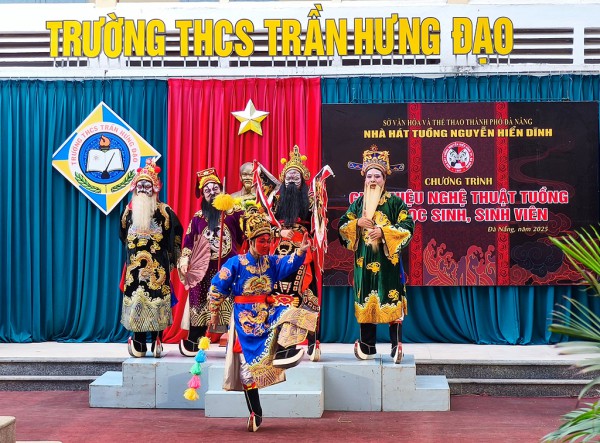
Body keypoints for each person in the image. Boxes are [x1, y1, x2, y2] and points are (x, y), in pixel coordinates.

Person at [207, 209, 317, 432]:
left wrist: (300, 252)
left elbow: (288, 264)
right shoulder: (235, 263)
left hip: (267, 314)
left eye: (268, 241)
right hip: (243, 321)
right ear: (250, 241)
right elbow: (217, 287)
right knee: (247, 371)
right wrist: (214, 311)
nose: (267, 245)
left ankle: (284, 352)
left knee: (295, 311)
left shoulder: (271, 262)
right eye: (262, 241)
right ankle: (255, 412)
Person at [338, 145, 414, 364]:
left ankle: (396, 345)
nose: (373, 180)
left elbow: (408, 226)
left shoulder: (395, 203)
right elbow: (342, 227)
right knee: (365, 299)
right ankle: (367, 345)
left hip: (388, 262)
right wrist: (356, 223)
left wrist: (384, 232)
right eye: (369, 176)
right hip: (363, 262)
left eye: (377, 176)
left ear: (384, 179)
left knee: (391, 297)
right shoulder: (358, 204)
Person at [119, 158, 183, 358]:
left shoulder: (165, 212)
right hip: (134, 270)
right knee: (136, 302)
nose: (143, 189)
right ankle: (138, 341)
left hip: (158, 267)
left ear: (155, 188)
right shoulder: (128, 212)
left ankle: (157, 339)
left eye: (147, 185)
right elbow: (123, 235)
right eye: (140, 185)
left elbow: (176, 236)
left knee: (157, 302)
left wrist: (173, 260)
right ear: (134, 188)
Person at [178, 168, 245, 356]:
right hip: (203, 268)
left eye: (215, 188)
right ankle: (196, 338)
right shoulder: (198, 217)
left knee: (231, 301)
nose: (211, 192)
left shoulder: (234, 212)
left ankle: (236, 339)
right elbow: (188, 242)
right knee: (198, 300)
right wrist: (185, 260)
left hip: (228, 267)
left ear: (221, 189)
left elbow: (245, 236)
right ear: (203, 195)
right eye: (207, 190)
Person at [271, 145, 322, 361]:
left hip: (302, 250)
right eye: (289, 176)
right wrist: (279, 231)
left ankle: (311, 340)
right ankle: (278, 341)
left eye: (296, 176)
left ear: (303, 179)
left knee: (305, 293)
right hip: (278, 252)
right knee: (277, 294)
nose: (292, 179)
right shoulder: (275, 200)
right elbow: (263, 225)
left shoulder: (311, 200)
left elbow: (319, 225)